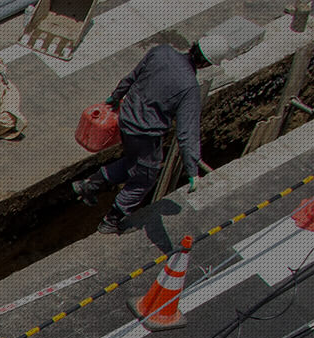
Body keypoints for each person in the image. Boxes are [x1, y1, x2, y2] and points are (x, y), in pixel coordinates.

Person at [72, 40, 219, 235]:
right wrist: (192, 170)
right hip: (145, 133)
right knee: (145, 178)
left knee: (134, 163)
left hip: (126, 119)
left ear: (194, 46)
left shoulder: (162, 51)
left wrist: (115, 97)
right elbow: (186, 133)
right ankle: (111, 220)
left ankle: (89, 186)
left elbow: (131, 77)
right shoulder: (189, 88)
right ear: (206, 63)